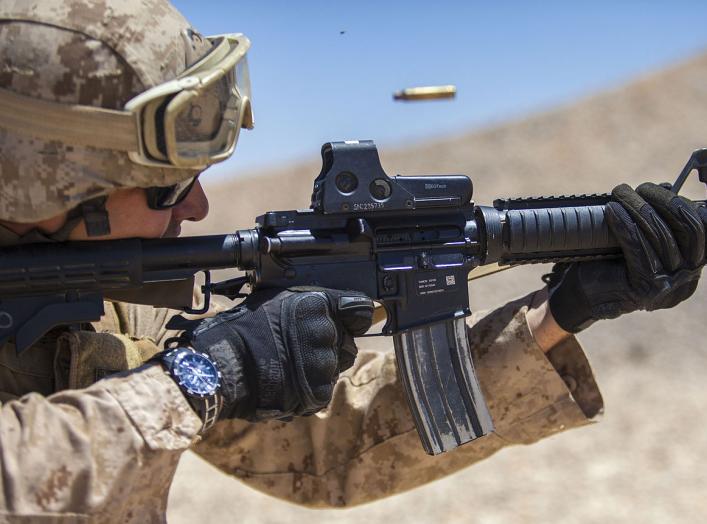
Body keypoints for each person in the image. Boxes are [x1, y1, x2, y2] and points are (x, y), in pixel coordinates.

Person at [0, 0, 703, 520]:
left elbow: (323, 453)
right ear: (45, 194)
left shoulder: (116, 295)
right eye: (168, 186)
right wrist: (201, 375)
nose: (197, 211)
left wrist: (564, 310)